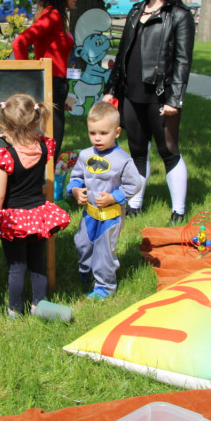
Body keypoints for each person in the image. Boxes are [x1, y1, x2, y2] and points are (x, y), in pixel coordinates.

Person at [103, 0, 194, 225]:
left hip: (161, 97)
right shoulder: (135, 11)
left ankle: (178, 211)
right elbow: (122, 56)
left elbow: (182, 62)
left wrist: (174, 99)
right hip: (131, 95)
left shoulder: (179, 16)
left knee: (168, 151)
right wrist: (112, 90)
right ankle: (135, 204)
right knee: (137, 150)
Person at [0, 94, 71, 317]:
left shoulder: (6, 157)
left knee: (16, 267)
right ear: (35, 121)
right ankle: (39, 306)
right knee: (37, 263)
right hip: (38, 216)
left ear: (5, 126)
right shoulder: (43, 148)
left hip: (14, 220)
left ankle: (15, 310)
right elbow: (29, 143)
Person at [67, 101, 143, 299]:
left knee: (104, 252)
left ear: (117, 132)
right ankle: (86, 273)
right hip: (89, 214)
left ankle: (105, 287)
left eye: (103, 133)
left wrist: (113, 198)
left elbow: (134, 185)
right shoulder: (85, 155)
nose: (97, 138)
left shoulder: (122, 160)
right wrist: (75, 190)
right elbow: (76, 176)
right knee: (82, 244)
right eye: (93, 133)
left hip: (111, 216)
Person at [12, 0, 81, 158]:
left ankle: (44, 188)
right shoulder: (53, 16)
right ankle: (42, 188)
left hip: (56, 87)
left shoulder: (56, 15)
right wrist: (29, 76)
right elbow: (20, 42)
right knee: (50, 150)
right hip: (49, 85)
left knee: (50, 147)